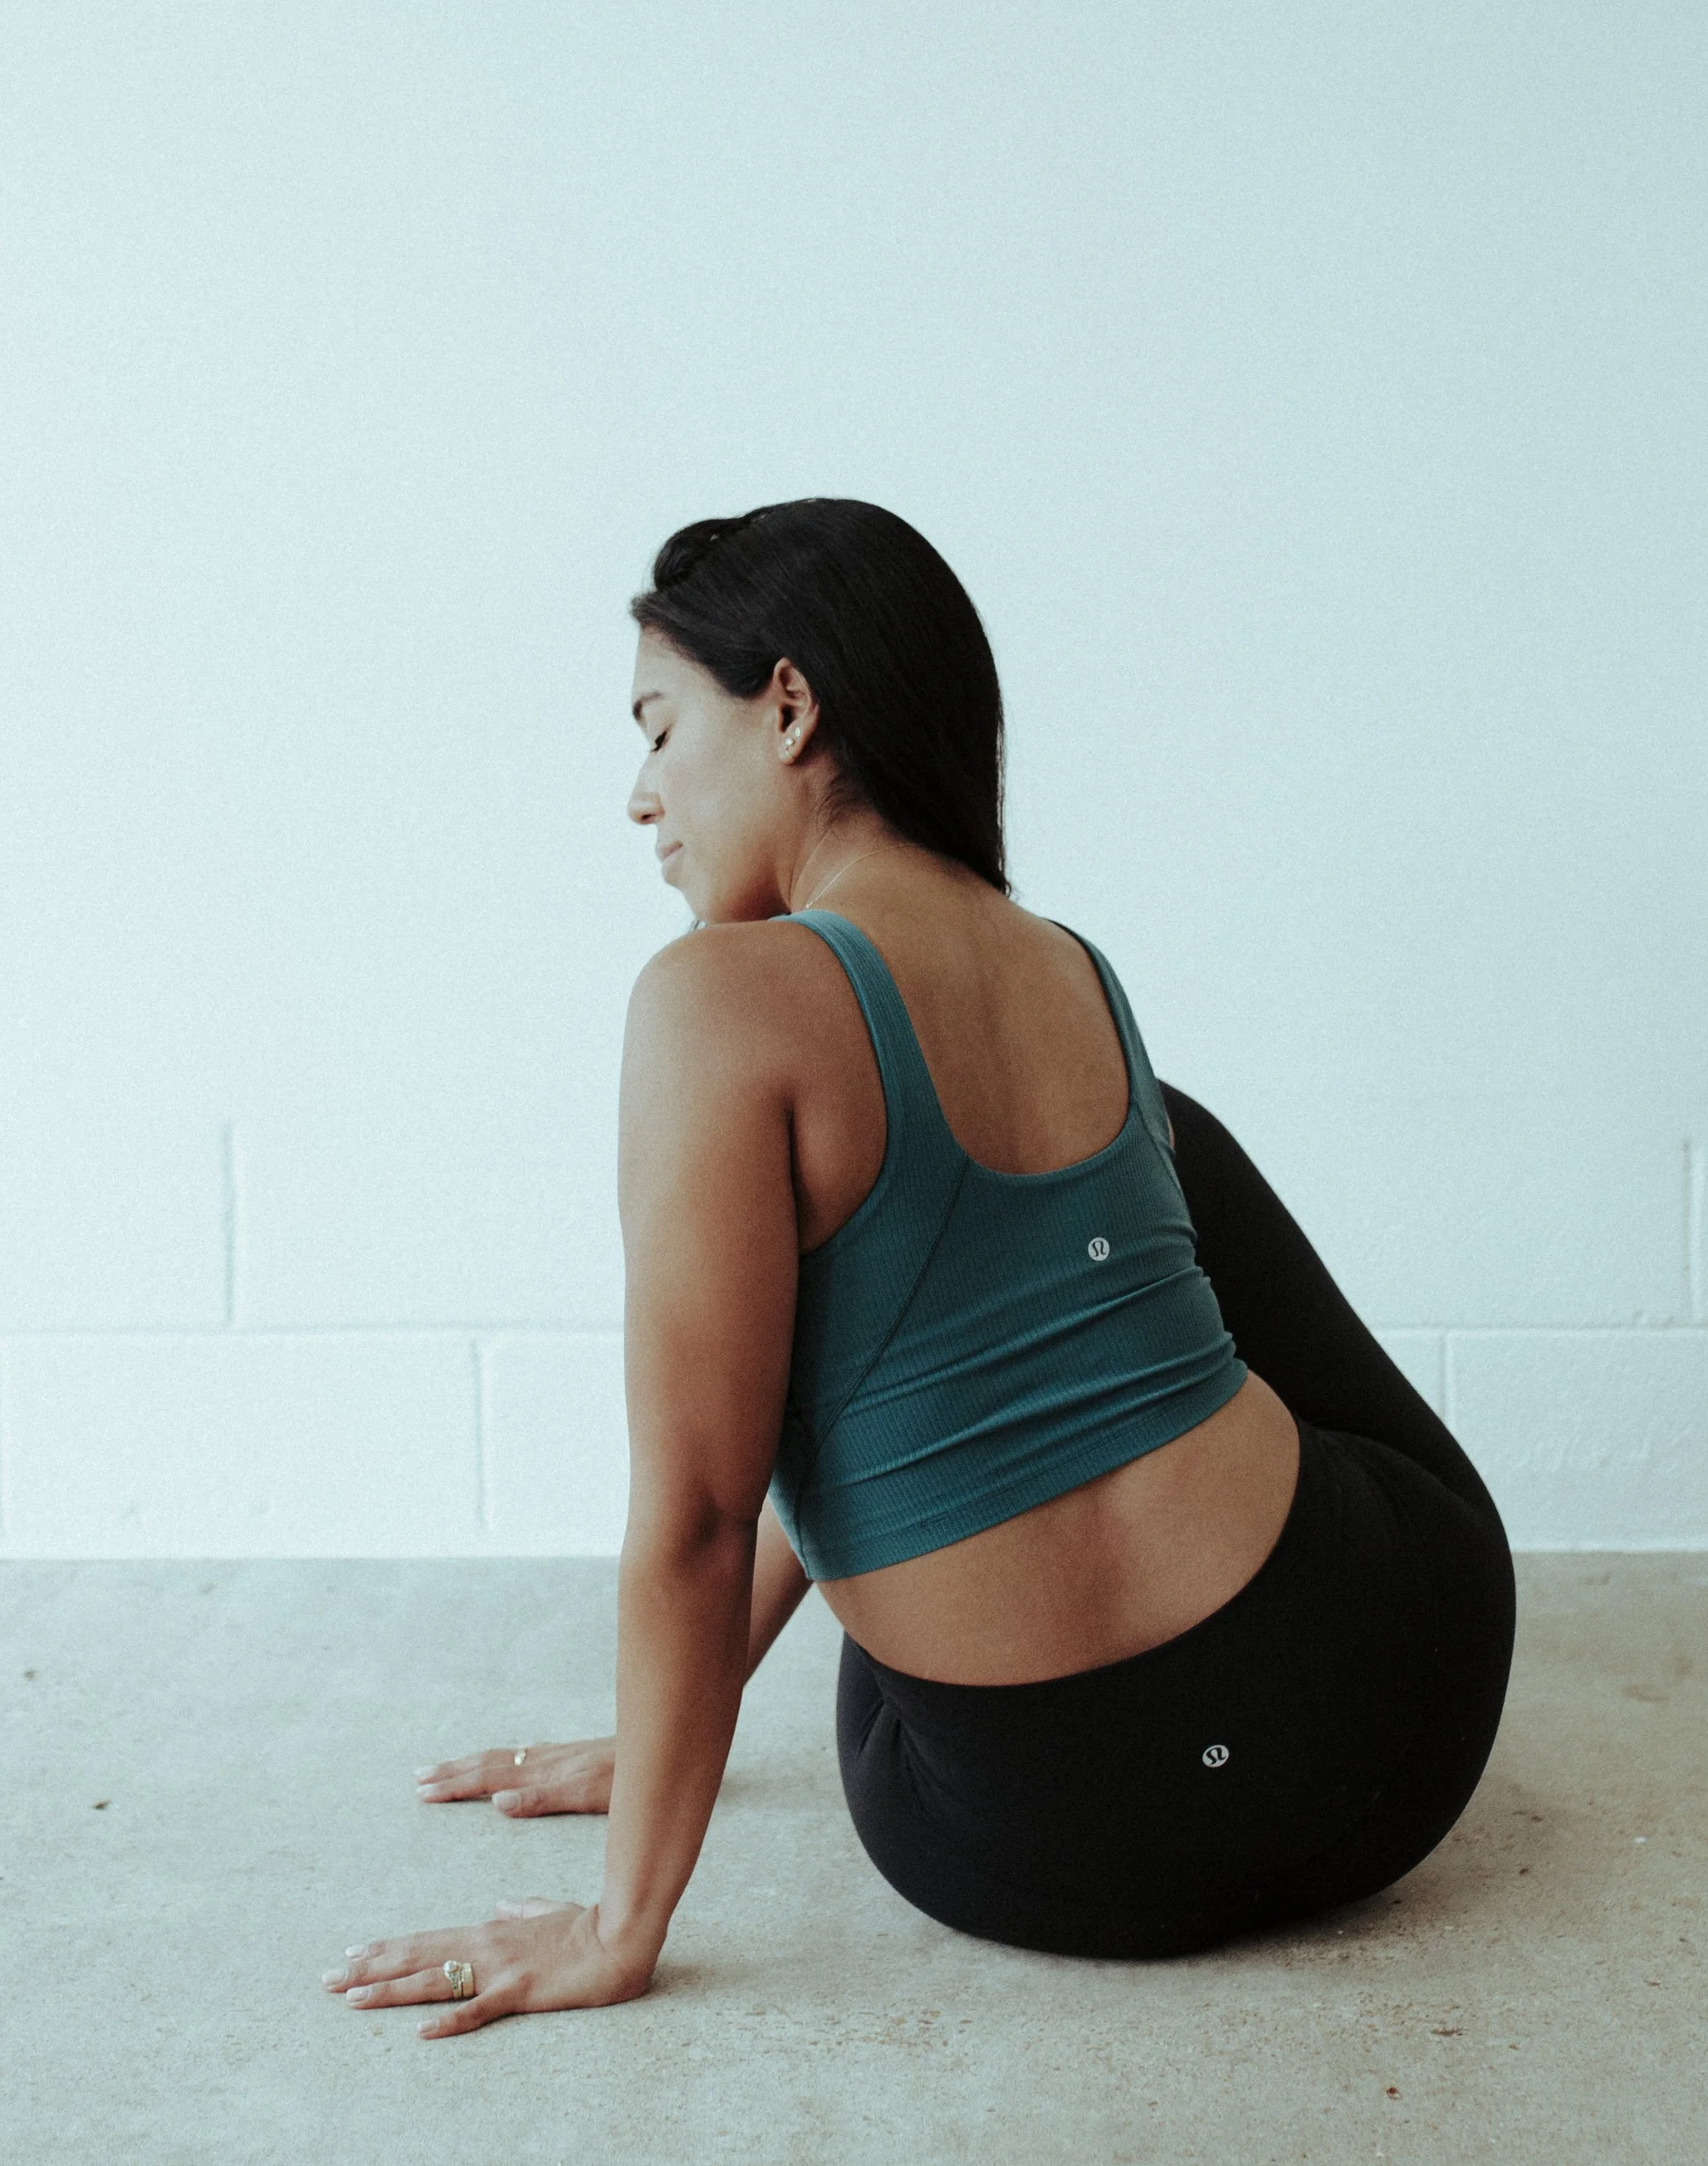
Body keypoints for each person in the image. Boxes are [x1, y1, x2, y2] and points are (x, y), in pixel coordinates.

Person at [324, 500, 1515, 2036]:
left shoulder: (716, 1005)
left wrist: (624, 1918)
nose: (640, 795)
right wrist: (661, 1725)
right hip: (1388, 1723)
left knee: (859, 1323)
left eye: (660, 723)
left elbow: (702, 1507)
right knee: (1131, 1163)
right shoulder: (1072, 963)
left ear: (792, 704)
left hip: (1056, 1839)